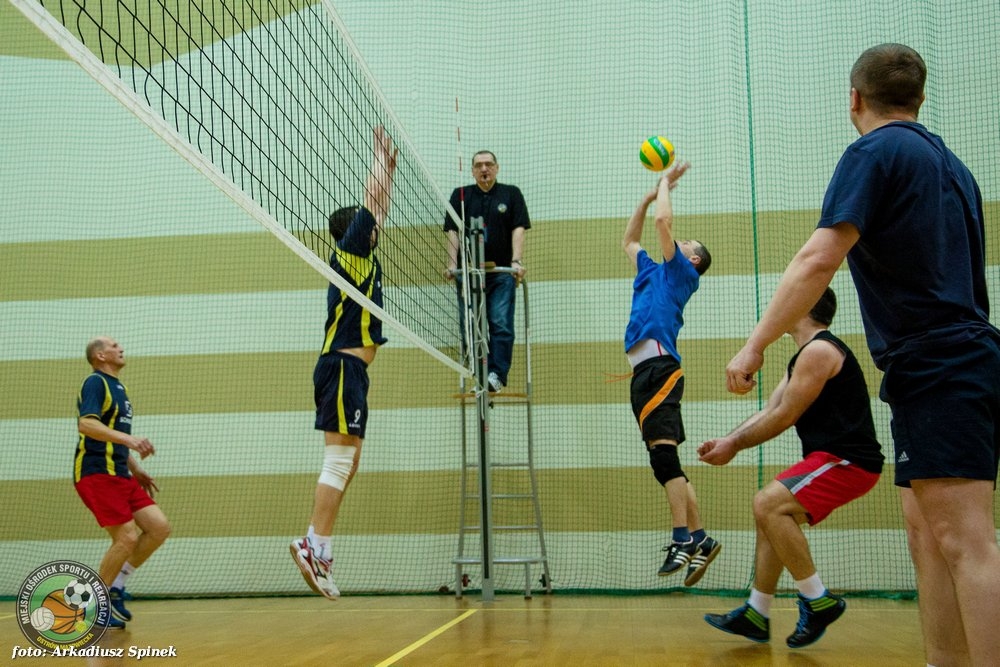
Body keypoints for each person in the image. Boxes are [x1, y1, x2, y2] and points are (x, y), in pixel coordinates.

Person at [725, 44, 1000, 665]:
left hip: (942, 363)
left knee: (965, 542)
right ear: (920, 98)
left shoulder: (873, 152)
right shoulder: (953, 165)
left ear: (854, 98)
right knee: (927, 536)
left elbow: (817, 259)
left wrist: (754, 345)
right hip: (934, 366)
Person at [700, 288, 884, 648]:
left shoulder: (820, 350)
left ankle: (818, 600)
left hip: (847, 462)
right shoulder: (804, 354)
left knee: (768, 503)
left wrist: (735, 446)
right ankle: (757, 613)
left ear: (804, 306)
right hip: (830, 460)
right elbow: (770, 410)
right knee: (769, 516)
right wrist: (728, 439)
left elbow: (785, 416)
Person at [290, 126, 398, 600]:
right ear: (355, 231)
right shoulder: (350, 254)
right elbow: (371, 204)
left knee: (350, 462)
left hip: (352, 372)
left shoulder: (363, 259)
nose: (377, 228)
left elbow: (378, 209)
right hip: (340, 367)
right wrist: (377, 159)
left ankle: (321, 545)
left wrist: (389, 172)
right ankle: (313, 544)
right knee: (338, 461)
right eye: (370, 225)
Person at [622, 160, 720, 586]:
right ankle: (701, 538)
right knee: (665, 459)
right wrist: (646, 199)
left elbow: (664, 222)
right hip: (642, 373)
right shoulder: (651, 270)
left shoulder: (682, 273)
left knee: (664, 458)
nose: (678, 241)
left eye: (685, 243)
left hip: (661, 368)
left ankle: (681, 538)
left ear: (692, 258)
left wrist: (664, 183)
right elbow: (629, 240)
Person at [74, 336, 171, 628]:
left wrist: (135, 468)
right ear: (100, 356)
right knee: (126, 537)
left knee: (158, 528)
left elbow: (111, 433)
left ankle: (116, 585)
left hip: (120, 473)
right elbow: (87, 424)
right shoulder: (95, 382)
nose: (121, 348)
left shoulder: (119, 388)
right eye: (114, 346)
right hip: (97, 472)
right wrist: (130, 440)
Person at [444, 150, 530, 393]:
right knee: (470, 325)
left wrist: (516, 261)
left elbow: (519, 227)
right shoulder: (460, 195)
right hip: (469, 276)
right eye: (479, 165)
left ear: (496, 168)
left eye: (489, 164)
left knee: (500, 322)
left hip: (500, 273)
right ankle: (478, 374)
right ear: (473, 170)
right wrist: (452, 264)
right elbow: (452, 230)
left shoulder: (511, 193)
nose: (484, 169)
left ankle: (496, 375)